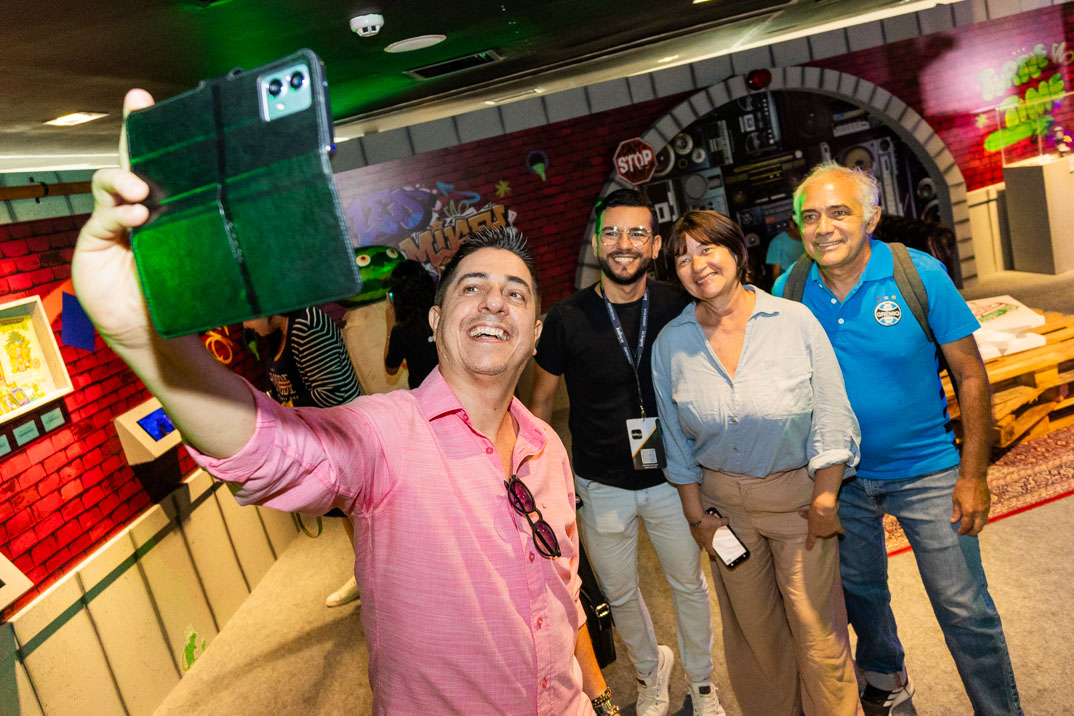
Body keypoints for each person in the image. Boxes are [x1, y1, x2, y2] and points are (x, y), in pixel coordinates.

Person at [72, 88, 620, 716]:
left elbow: (563, 591)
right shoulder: (386, 436)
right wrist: (145, 341)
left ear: (536, 333)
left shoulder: (547, 449)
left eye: (516, 293)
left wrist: (600, 700)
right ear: (434, 321)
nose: (495, 301)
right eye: (472, 288)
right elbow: (268, 451)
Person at [773, 161, 1022, 715]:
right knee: (863, 600)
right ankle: (888, 685)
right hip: (841, 481)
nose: (823, 228)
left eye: (839, 212)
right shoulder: (789, 290)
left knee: (965, 610)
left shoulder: (919, 274)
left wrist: (973, 474)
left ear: (871, 218)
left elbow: (971, 375)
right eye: (810, 216)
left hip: (928, 472)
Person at [652, 209, 863, 715]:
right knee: (754, 637)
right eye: (682, 258)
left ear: (736, 252)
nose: (697, 265)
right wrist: (698, 520)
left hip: (798, 505)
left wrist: (826, 498)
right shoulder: (671, 344)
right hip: (725, 513)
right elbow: (675, 442)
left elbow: (833, 412)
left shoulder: (793, 322)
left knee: (818, 633)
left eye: (707, 249)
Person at [529, 190, 724, 716]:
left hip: (673, 479)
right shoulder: (566, 318)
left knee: (689, 584)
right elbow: (540, 405)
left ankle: (703, 685)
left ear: (655, 245)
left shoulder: (677, 302)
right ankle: (649, 671)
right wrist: (546, 486)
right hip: (601, 485)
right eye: (612, 232)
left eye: (637, 233)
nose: (624, 244)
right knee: (619, 594)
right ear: (597, 243)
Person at [242, 308, 365, 608]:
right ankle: (364, 574)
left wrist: (280, 411)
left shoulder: (307, 324)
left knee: (363, 515)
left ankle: (379, 579)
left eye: (246, 316)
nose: (245, 324)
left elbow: (332, 394)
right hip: (323, 442)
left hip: (345, 437)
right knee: (347, 514)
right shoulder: (277, 334)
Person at [384, 259, 439, 388]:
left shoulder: (402, 331)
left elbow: (391, 369)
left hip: (425, 392)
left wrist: (390, 326)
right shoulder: (441, 313)